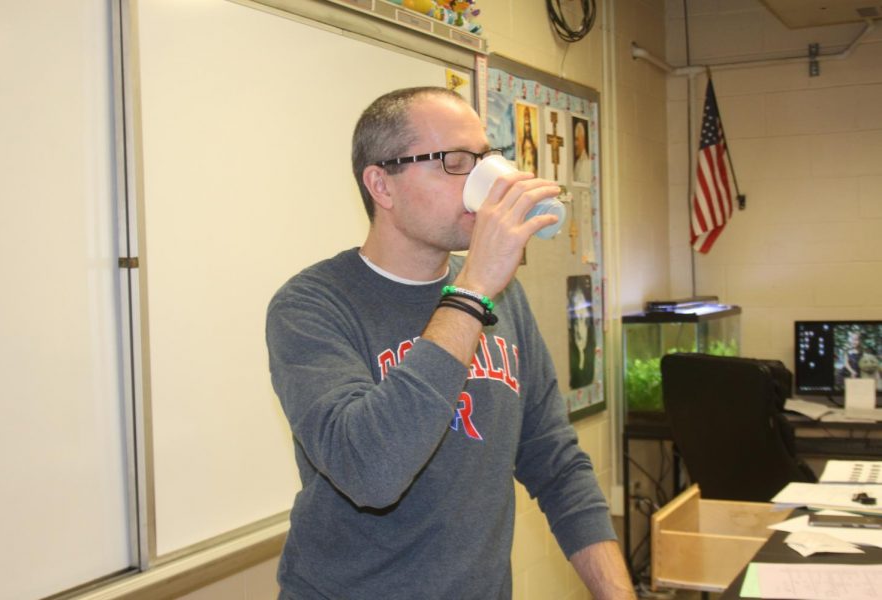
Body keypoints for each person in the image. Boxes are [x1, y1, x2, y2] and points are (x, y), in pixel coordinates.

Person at [266, 86, 634, 600]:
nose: (482, 183)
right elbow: (371, 473)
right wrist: (473, 290)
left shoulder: (504, 297)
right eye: (455, 162)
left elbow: (554, 461)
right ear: (382, 185)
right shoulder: (312, 306)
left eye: (486, 159)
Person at [516, 105, 539, 176]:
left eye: (529, 125)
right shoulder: (521, 144)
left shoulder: (534, 144)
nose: (527, 128)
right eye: (526, 125)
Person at [573, 118, 592, 185]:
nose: (575, 144)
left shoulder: (588, 163)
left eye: (578, 139)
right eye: (575, 139)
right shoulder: (578, 163)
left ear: (583, 140)